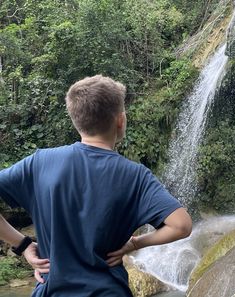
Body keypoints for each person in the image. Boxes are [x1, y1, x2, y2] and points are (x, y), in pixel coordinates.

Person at [0, 75, 192, 296]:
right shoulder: (135, 176)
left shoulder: (41, 162)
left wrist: (23, 245)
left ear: (76, 120)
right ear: (120, 120)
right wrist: (134, 244)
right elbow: (181, 225)